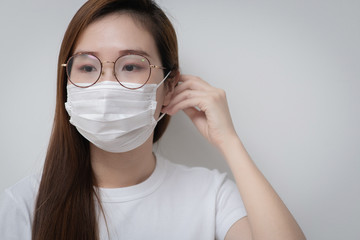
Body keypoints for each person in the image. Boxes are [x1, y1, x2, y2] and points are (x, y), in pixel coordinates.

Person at [0, 0, 306, 239]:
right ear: (66, 82)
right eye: (88, 67)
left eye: (131, 66)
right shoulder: (22, 206)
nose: (107, 85)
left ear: (168, 87)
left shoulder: (209, 195)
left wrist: (229, 142)